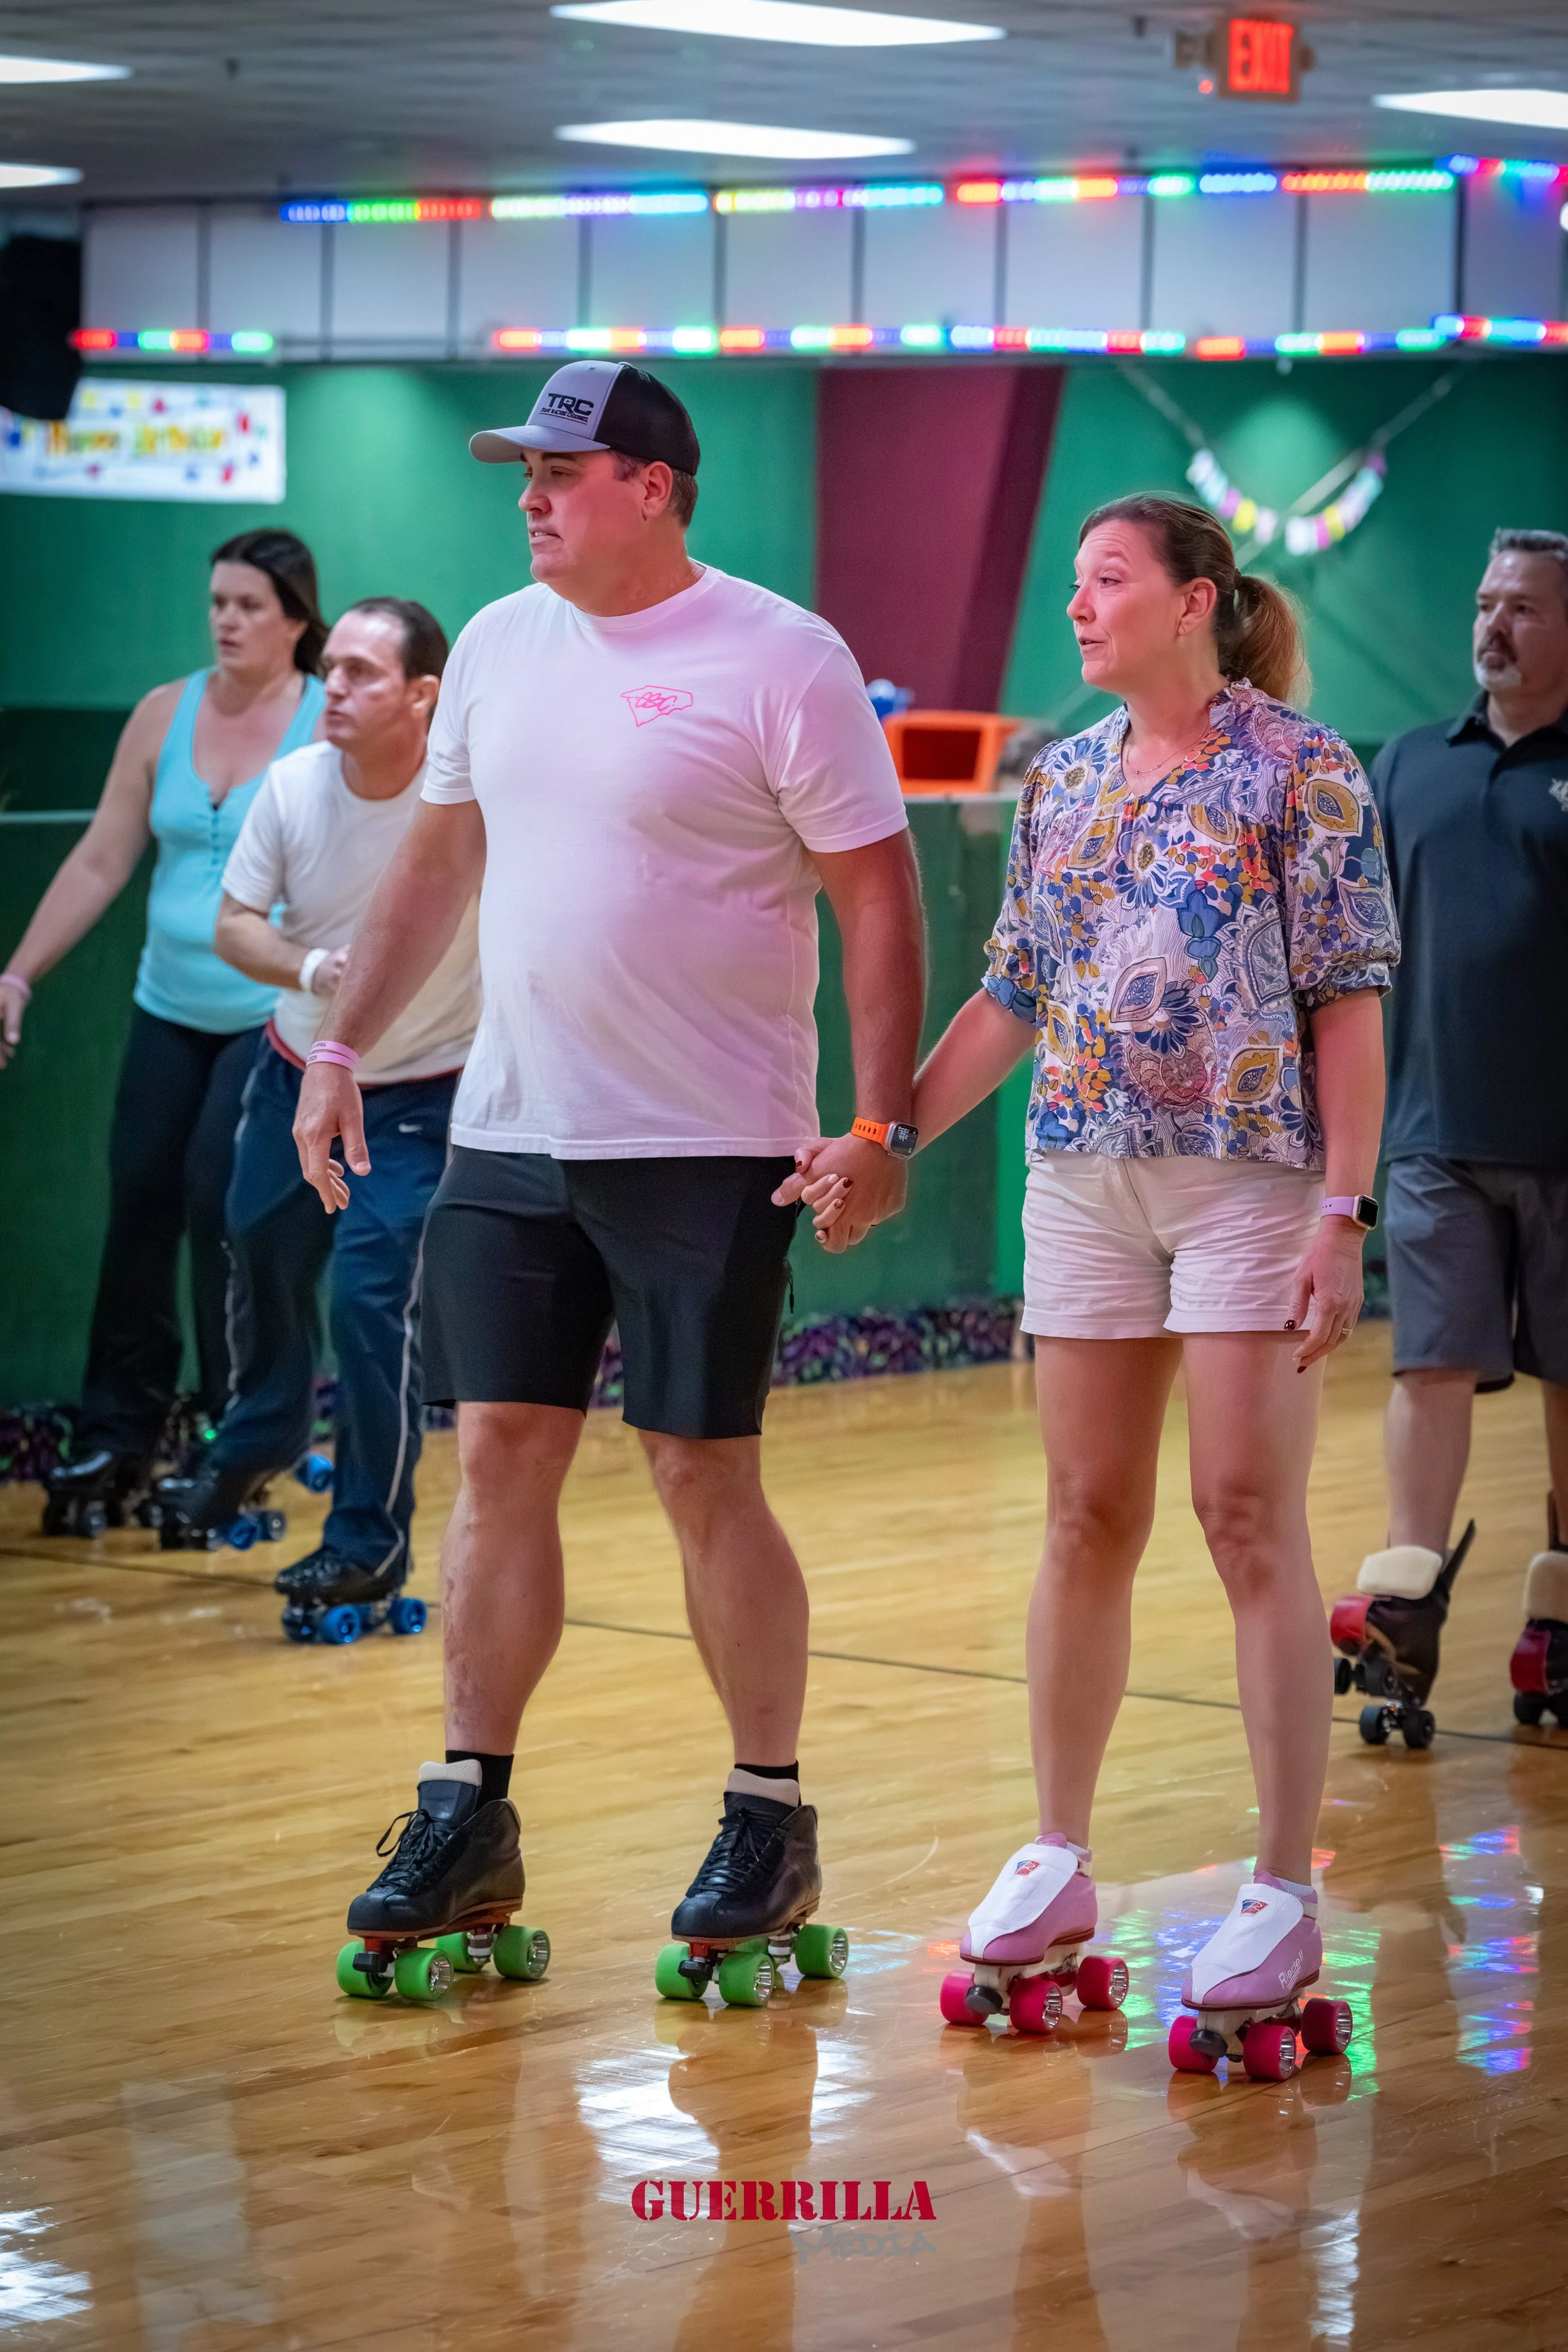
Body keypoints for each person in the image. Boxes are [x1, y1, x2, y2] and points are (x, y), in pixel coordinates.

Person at [289, 363, 924, 1978]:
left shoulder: (782, 655)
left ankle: (765, 1813)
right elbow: (438, 865)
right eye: (524, 470)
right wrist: (343, 1047)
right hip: (513, 1131)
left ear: (653, 485)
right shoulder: (499, 645)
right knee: (498, 1454)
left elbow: (879, 894)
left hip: (708, 1139)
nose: (530, 496)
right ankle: (468, 1803)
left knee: (698, 1468)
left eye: (562, 471)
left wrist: (880, 1123)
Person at [840, 495, 1396, 2055]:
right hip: (1080, 1177)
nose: (1073, 608)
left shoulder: (1304, 772)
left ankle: (1280, 1881)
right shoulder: (1060, 779)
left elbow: (1348, 1003)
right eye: (1068, 583)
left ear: (1191, 603)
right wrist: (888, 1133)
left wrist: (1339, 1212)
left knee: (1241, 1514)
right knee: (1084, 1513)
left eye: (1104, 583)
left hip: (1248, 1180)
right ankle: (1061, 1852)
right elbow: (1010, 994)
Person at [153, 599, 479, 1623]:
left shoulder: (470, 799)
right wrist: (310, 965)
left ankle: (366, 1542)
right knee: (254, 1243)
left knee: (373, 1310)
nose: (330, 687)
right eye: (328, 668)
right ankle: (262, 1436)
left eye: (359, 673)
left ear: (423, 695)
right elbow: (235, 925)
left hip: (423, 1094)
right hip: (294, 1070)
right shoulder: (293, 787)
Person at [1, 532, 327, 1535]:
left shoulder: (326, 723)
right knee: (139, 1201)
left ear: (296, 620)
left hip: (266, 1013)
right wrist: (18, 973)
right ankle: (117, 1432)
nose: (227, 620)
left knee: (219, 1203)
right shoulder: (162, 714)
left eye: (248, 605)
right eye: (217, 601)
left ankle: (239, 1439)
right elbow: (102, 859)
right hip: (166, 1006)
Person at [1336, 528, 1568, 1735]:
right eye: (1485, 601)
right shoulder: (1412, 764)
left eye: (1523, 607)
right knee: (1431, 1366)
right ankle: (1407, 1609)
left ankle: (1563, 1615)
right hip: (1431, 1134)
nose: (1494, 625)